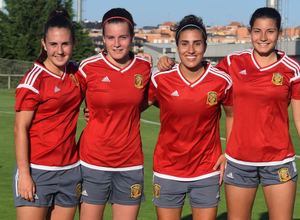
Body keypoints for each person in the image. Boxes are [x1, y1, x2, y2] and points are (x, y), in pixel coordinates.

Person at [158, 7, 300, 220]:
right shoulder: (233, 63)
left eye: (270, 31)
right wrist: (169, 64)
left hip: (278, 161)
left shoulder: (292, 69)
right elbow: (200, 71)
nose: (263, 37)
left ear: (279, 33)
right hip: (239, 162)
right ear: (250, 32)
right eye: (257, 31)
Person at [149, 15, 233, 220]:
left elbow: (232, 115)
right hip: (167, 169)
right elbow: (134, 106)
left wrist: (228, 153)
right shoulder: (161, 78)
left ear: (205, 45)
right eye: (184, 44)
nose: (191, 50)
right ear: (176, 46)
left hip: (206, 170)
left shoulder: (221, 80)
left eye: (197, 43)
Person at [76, 8, 151, 220]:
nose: (116, 43)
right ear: (103, 38)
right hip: (93, 161)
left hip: (130, 162)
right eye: (110, 37)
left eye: (123, 37)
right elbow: (67, 100)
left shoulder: (144, 67)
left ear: (132, 38)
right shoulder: (88, 68)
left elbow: (150, 98)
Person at [14, 9, 83, 220]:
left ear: (73, 44)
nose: (59, 51)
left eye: (65, 44)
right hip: (37, 170)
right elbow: (20, 129)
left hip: (70, 170)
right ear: (44, 44)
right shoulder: (34, 80)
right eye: (53, 44)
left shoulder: (77, 73)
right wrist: (25, 175)